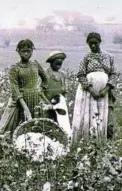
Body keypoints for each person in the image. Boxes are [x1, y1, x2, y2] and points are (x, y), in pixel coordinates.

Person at [72, 32, 117, 142]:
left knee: (106, 120)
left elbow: (114, 74)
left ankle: (103, 144)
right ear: (87, 43)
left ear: (100, 42)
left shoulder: (109, 57)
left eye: (95, 43)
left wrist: (106, 89)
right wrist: (91, 90)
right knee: (90, 118)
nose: (93, 46)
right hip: (89, 94)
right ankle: (89, 143)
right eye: (90, 43)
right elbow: (81, 75)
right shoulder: (86, 58)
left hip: (104, 94)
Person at [0, 39, 49, 135]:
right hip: (20, 102)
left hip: (35, 99)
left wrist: (41, 89)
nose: (26, 53)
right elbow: (15, 90)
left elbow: (45, 78)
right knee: (15, 129)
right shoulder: (15, 68)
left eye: (29, 51)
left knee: (35, 128)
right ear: (18, 51)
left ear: (32, 51)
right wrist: (26, 109)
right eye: (23, 51)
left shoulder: (35, 64)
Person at [44, 51, 71, 137]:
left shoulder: (62, 75)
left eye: (61, 60)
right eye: (57, 60)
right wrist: (47, 104)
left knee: (60, 125)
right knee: (47, 125)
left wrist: (62, 103)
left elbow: (65, 91)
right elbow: (40, 91)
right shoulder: (45, 74)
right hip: (46, 104)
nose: (59, 62)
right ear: (51, 62)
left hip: (59, 106)